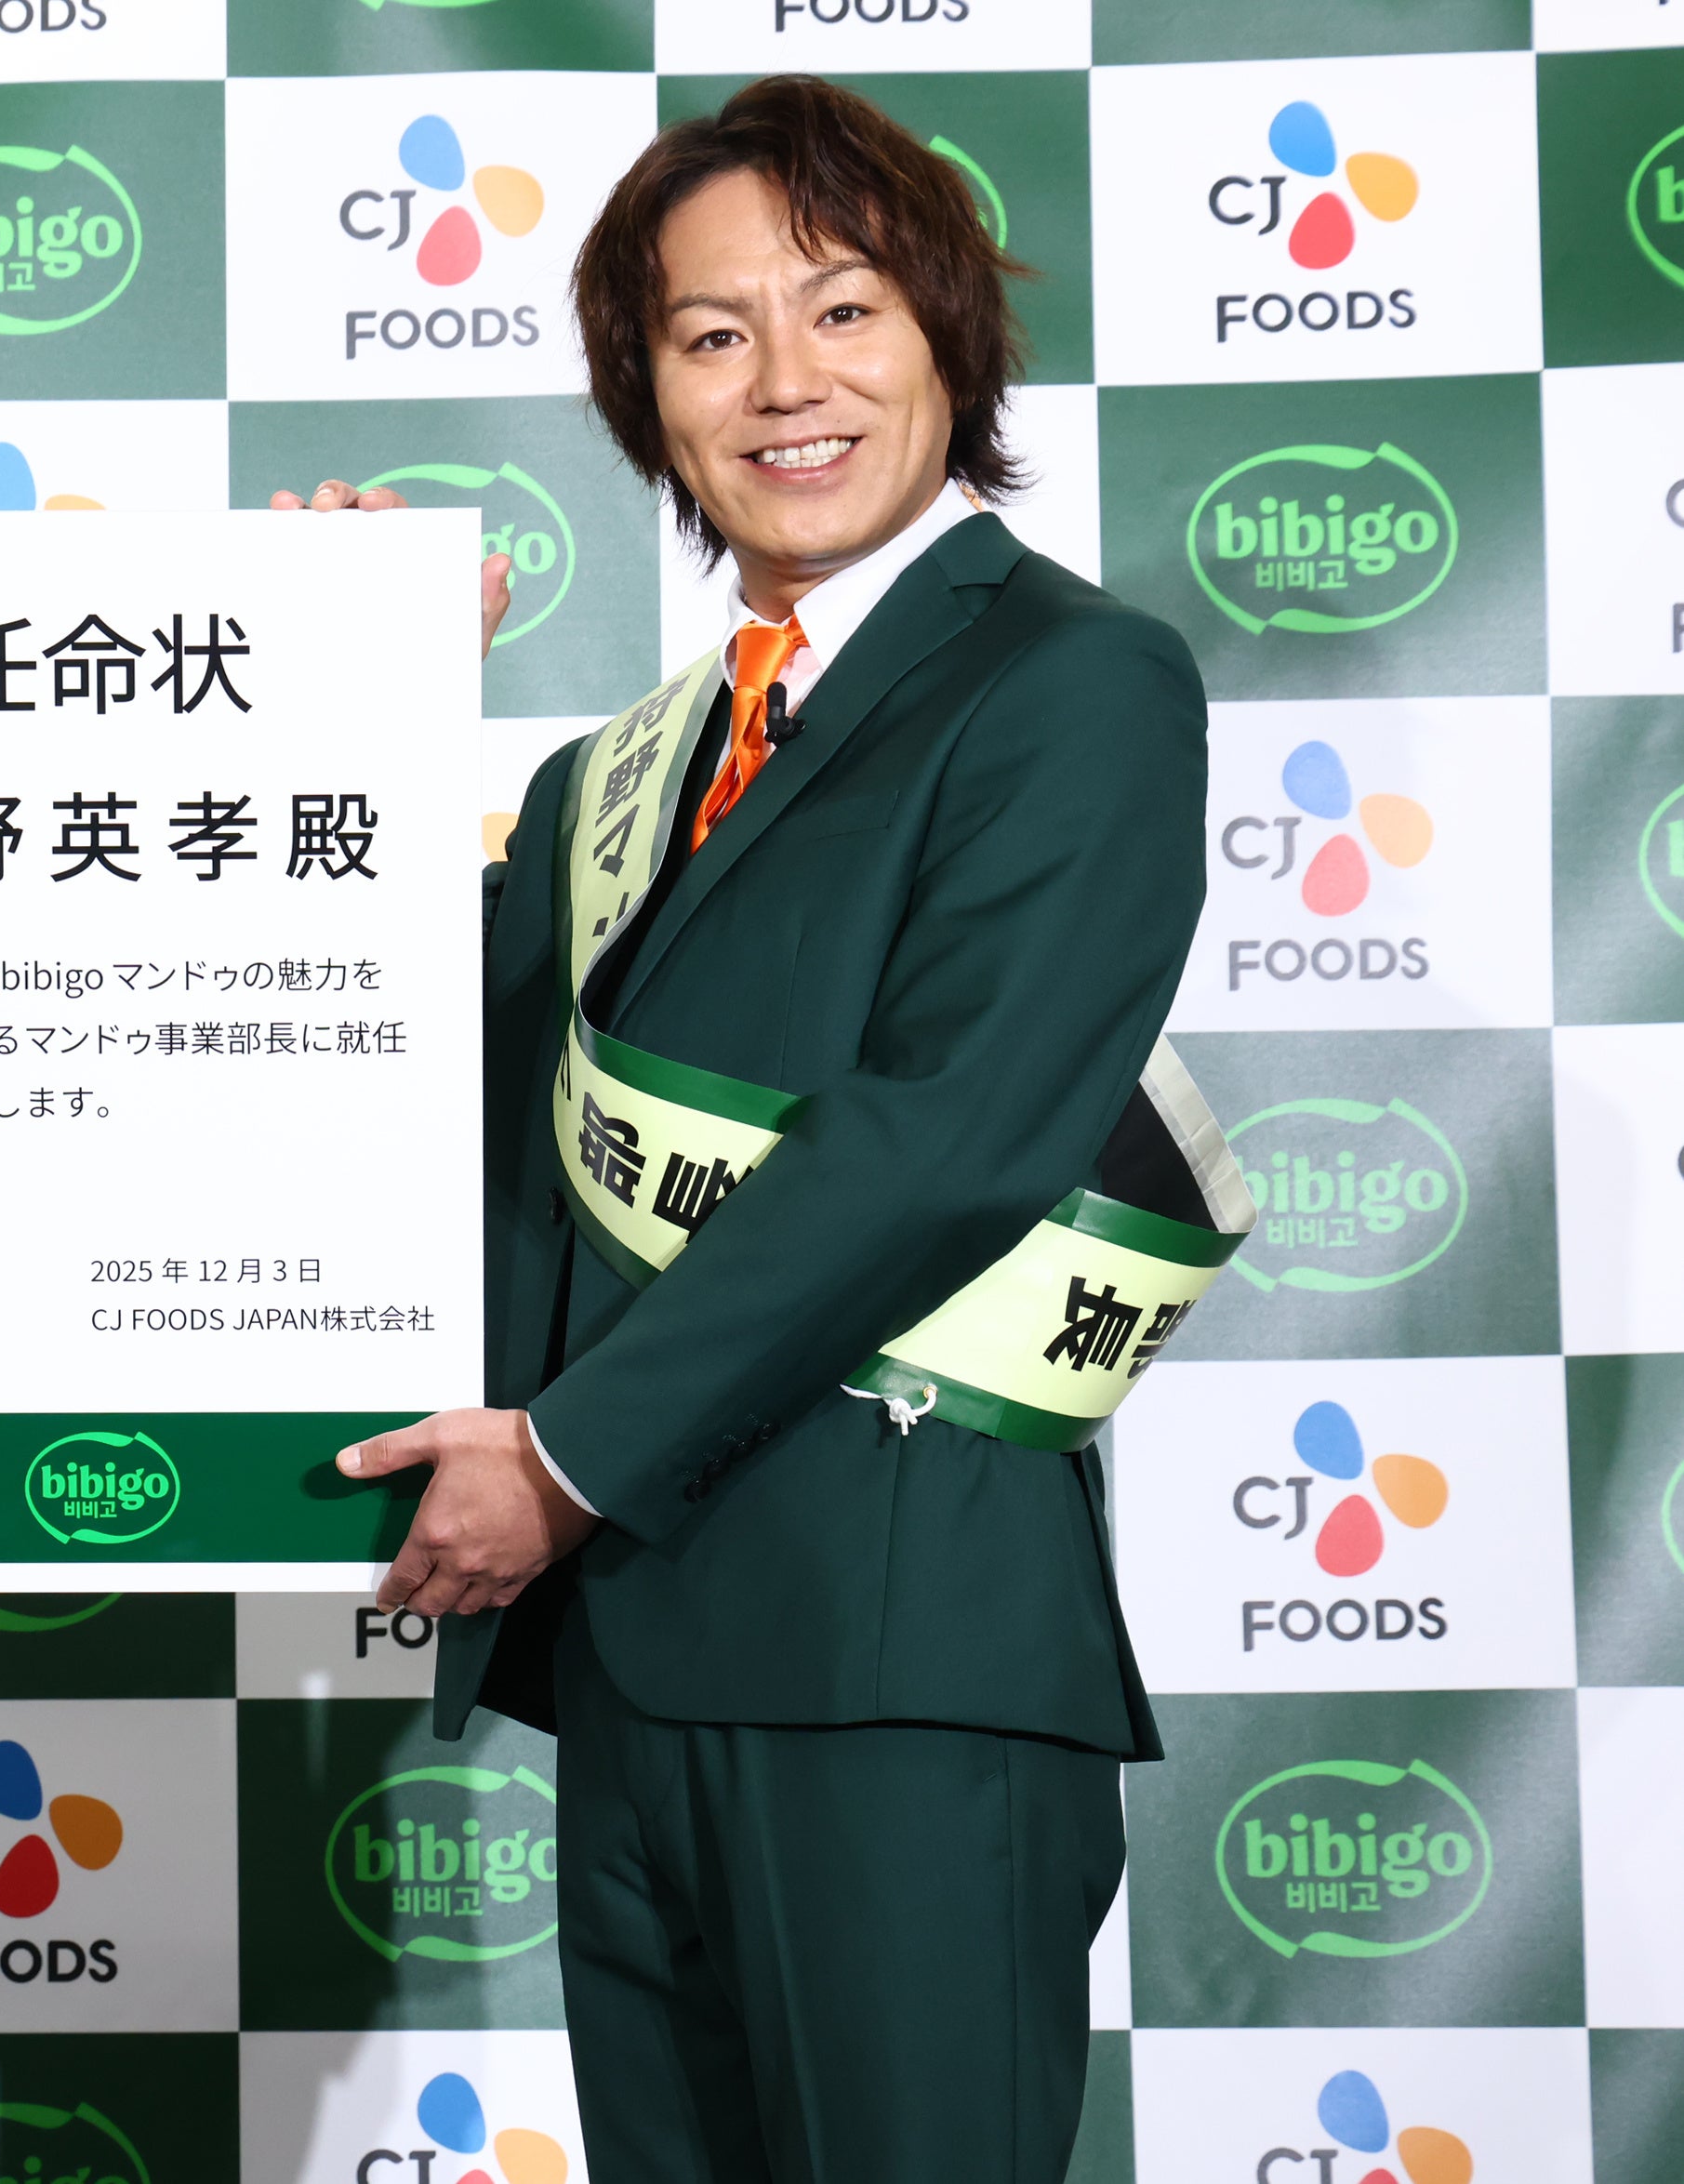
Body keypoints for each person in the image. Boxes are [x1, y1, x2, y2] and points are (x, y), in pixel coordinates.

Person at [300, 76, 1246, 2181]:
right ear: (646, 395)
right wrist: (340, 706)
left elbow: (954, 1134)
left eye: (842, 310)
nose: (784, 382)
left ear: (946, 341)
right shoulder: (610, 779)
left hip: (900, 1653)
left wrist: (561, 1457)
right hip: (632, 1663)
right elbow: (411, 1089)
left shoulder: (1072, 680)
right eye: (711, 333)